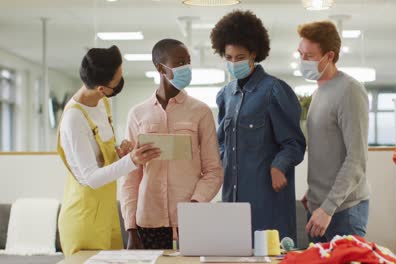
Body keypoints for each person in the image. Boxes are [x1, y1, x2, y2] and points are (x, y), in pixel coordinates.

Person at [211, 10, 306, 242]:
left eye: (240, 57)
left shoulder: (274, 90)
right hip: (232, 203)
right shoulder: (225, 96)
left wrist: (278, 166)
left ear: (254, 54)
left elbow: (294, 143)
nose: (234, 62)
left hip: (267, 205)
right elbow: (222, 144)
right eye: (229, 57)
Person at [57, 45, 160, 256]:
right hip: (84, 217)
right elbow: (92, 178)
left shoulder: (101, 102)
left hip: (107, 211)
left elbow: (101, 158)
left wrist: (119, 154)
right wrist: (131, 160)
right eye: (118, 80)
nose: (122, 81)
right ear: (102, 88)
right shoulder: (74, 118)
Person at [121, 39, 223, 250]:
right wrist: (131, 228)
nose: (186, 67)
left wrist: (195, 205)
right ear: (160, 68)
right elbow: (130, 176)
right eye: (179, 62)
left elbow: (213, 170)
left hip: (191, 219)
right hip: (148, 220)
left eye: (188, 61)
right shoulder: (138, 114)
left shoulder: (201, 112)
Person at [297, 21, 370, 242]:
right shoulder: (320, 91)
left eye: (309, 56)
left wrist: (328, 207)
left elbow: (356, 158)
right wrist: (314, 194)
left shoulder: (349, 90)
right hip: (320, 207)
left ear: (329, 56)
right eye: (300, 54)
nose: (302, 61)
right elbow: (328, 149)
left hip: (343, 211)